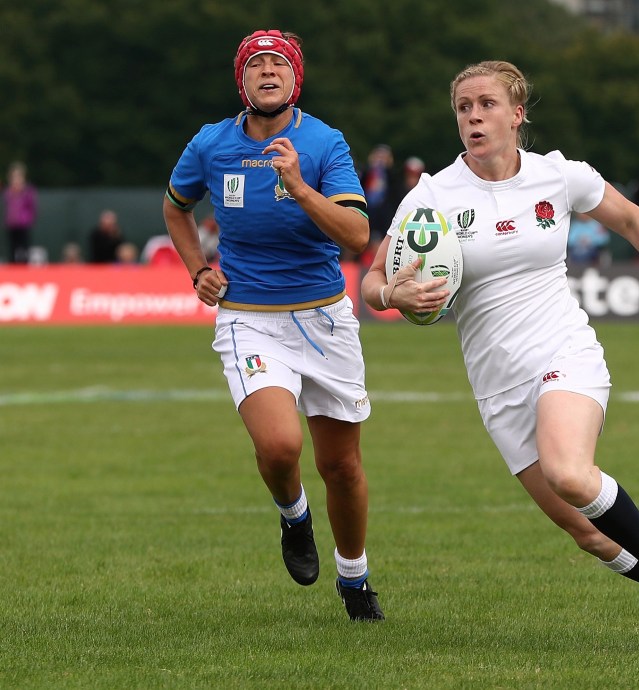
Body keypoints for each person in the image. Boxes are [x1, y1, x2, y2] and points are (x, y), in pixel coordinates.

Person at [361, 60, 639, 653]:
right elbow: (371, 281)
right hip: (496, 385)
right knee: (585, 533)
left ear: (517, 113)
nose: (474, 117)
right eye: (463, 108)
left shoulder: (558, 176)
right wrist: (391, 295)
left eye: (486, 105)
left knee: (569, 471)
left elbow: (633, 220)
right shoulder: (432, 197)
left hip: (564, 350)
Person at [162, 29, 384, 621]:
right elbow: (176, 208)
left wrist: (300, 188)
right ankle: (294, 516)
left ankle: (355, 578)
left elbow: (358, 236)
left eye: (278, 65)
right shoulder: (211, 144)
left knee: (341, 465)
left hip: (325, 321)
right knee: (280, 444)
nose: (267, 72)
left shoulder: (322, 142)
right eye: (256, 64)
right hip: (249, 319)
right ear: (242, 81)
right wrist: (196, 270)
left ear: (295, 80)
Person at [3, 161, 38, 264]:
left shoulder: (28, 191)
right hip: (11, 224)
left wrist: (28, 219)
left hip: (23, 224)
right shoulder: (8, 191)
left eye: (18, 176)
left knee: (25, 248)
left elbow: (32, 207)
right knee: (12, 248)